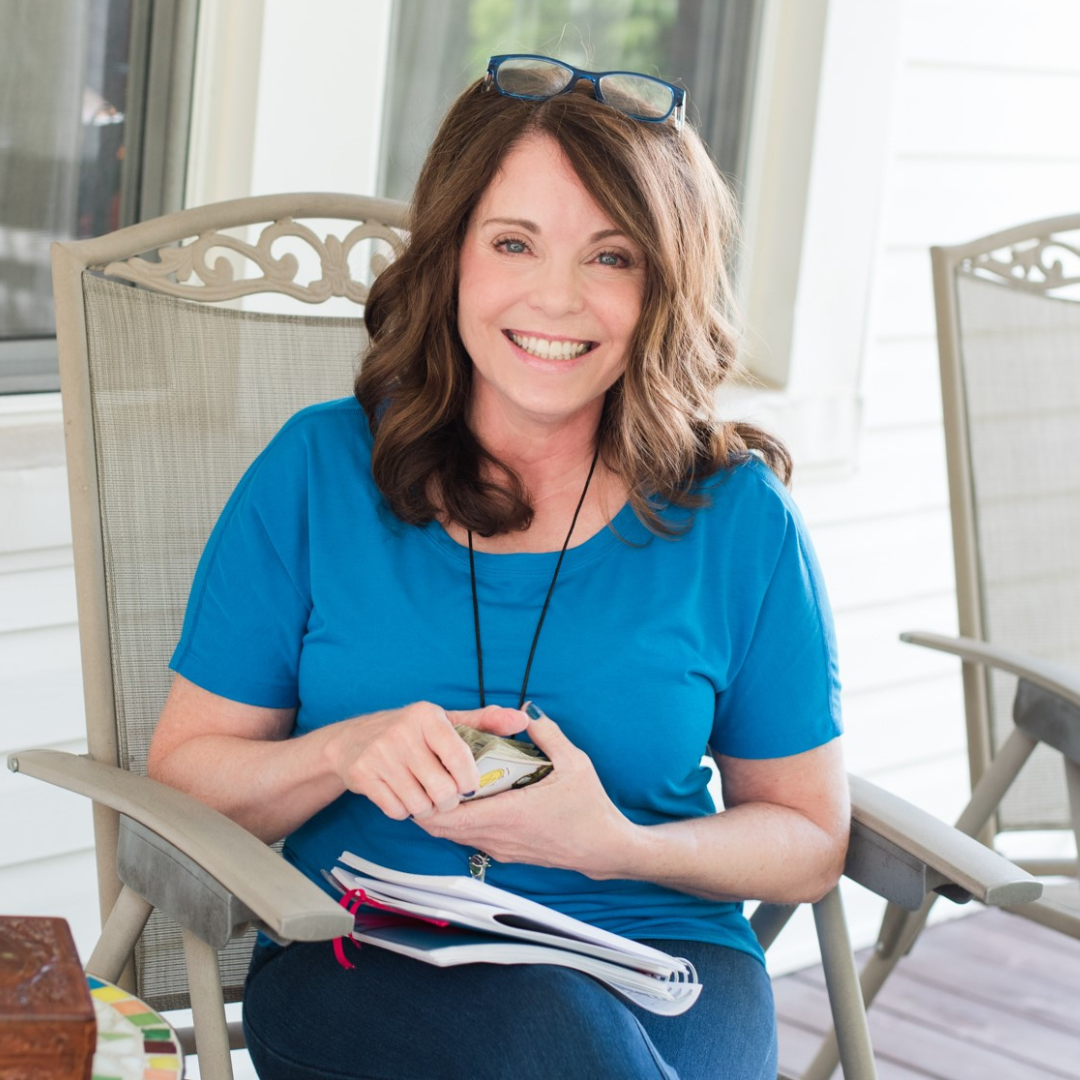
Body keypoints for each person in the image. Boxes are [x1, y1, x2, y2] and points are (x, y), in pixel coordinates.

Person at [147, 54, 848, 1080]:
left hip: (664, 958)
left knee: (579, 1039)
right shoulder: (317, 472)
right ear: (454, 259)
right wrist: (338, 753)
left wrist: (616, 845)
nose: (556, 300)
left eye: (612, 257)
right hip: (368, 949)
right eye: (514, 242)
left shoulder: (737, 519)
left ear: (664, 282)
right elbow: (186, 777)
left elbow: (806, 835)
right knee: (553, 1037)